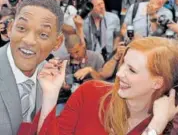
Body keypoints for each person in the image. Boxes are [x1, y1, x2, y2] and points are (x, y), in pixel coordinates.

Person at [18, 37, 178, 135]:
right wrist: (50, 95)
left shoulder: (168, 124)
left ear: (157, 82)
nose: (119, 74)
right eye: (123, 64)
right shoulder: (91, 92)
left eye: (132, 70)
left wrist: (157, 125)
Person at [0, 0, 64, 135]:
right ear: (10, 28)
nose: (29, 41)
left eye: (43, 34)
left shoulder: (49, 76)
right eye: (22, 28)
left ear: (57, 42)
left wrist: (50, 97)